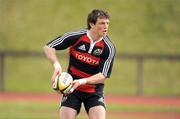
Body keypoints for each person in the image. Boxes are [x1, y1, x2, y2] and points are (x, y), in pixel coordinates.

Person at [43, 9, 116, 119]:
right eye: (102, 23)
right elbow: (48, 47)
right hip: (71, 89)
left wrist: (82, 81)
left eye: (107, 23)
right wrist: (56, 65)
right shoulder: (76, 36)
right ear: (91, 24)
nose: (106, 26)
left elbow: (103, 75)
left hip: (94, 91)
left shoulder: (108, 48)